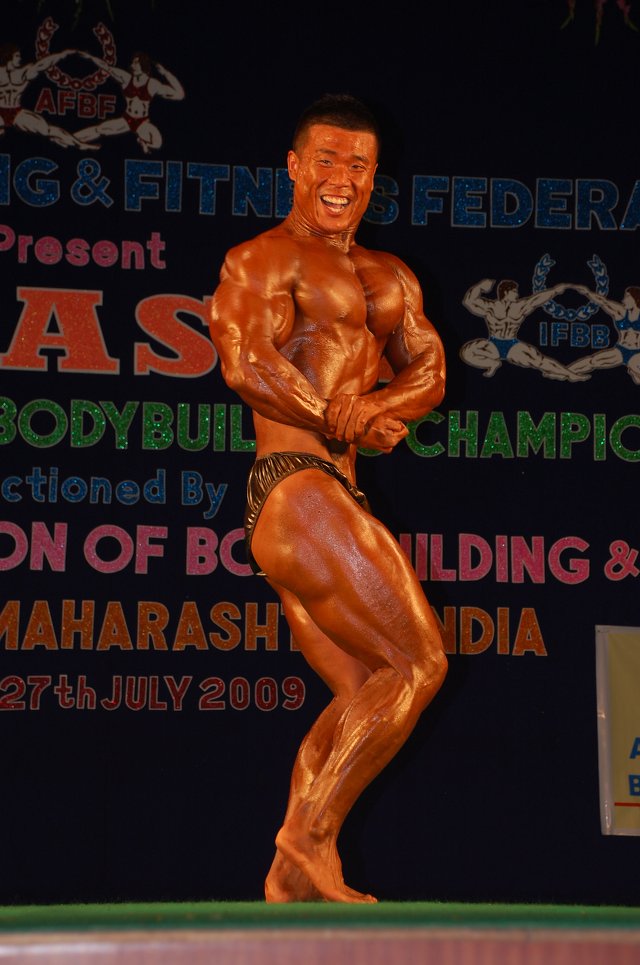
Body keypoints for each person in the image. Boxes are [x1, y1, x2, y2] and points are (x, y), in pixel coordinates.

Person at [209, 93, 448, 904]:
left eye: (358, 164)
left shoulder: (391, 276)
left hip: (333, 488)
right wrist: (333, 414)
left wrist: (378, 407)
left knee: (366, 688)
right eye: (326, 160)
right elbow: (246, 363)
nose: (342, 177)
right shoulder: (263, 259)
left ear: (374, 176)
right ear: (294, 167)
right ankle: (309, 836)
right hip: (295, 482)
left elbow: (430, 369)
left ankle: (290, 873)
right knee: (420, 661)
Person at [461, 277, 587, 380]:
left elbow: (537, 299)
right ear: (506, 292)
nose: (517, 294)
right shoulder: (491, 307)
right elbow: (469, 301)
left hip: (512, 345)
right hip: (493, 344)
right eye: (514, 292)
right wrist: (480, 287)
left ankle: (569, 374)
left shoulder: (520, 307)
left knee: (540, 361)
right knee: (467, 352)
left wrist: (555, 290)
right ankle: (492, 363)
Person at [74, 51, 184, 153]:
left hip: (142, 122)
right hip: (127, 119)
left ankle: (144, 143)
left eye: (136, 63)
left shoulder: (153, 84)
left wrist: (165, 73)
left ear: (143, 65)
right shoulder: (126, 78)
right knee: (99, 129)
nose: (132, 66)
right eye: (132, 63)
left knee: (157, 143)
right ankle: (72, 139)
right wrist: (90, 57)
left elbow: (180, 95)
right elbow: (106, 67)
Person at [0, 43, 94, 149]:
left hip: (16, 112)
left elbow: (43, 64)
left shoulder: (24, 72)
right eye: (17, 56)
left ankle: (80, 145)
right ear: (8, 56)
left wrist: (63, 54)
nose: (20, 59)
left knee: (48, 130)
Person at [567, 285, 640, 384]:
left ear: (636, 299)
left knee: (635, 369)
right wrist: (587, 292)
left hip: (637, 353)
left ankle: (634, 372)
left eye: (627, 297)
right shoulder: (621, 312)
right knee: (593, 361)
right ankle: (565, 372)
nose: (623, 300)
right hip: (621, 350)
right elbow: (603, 302)